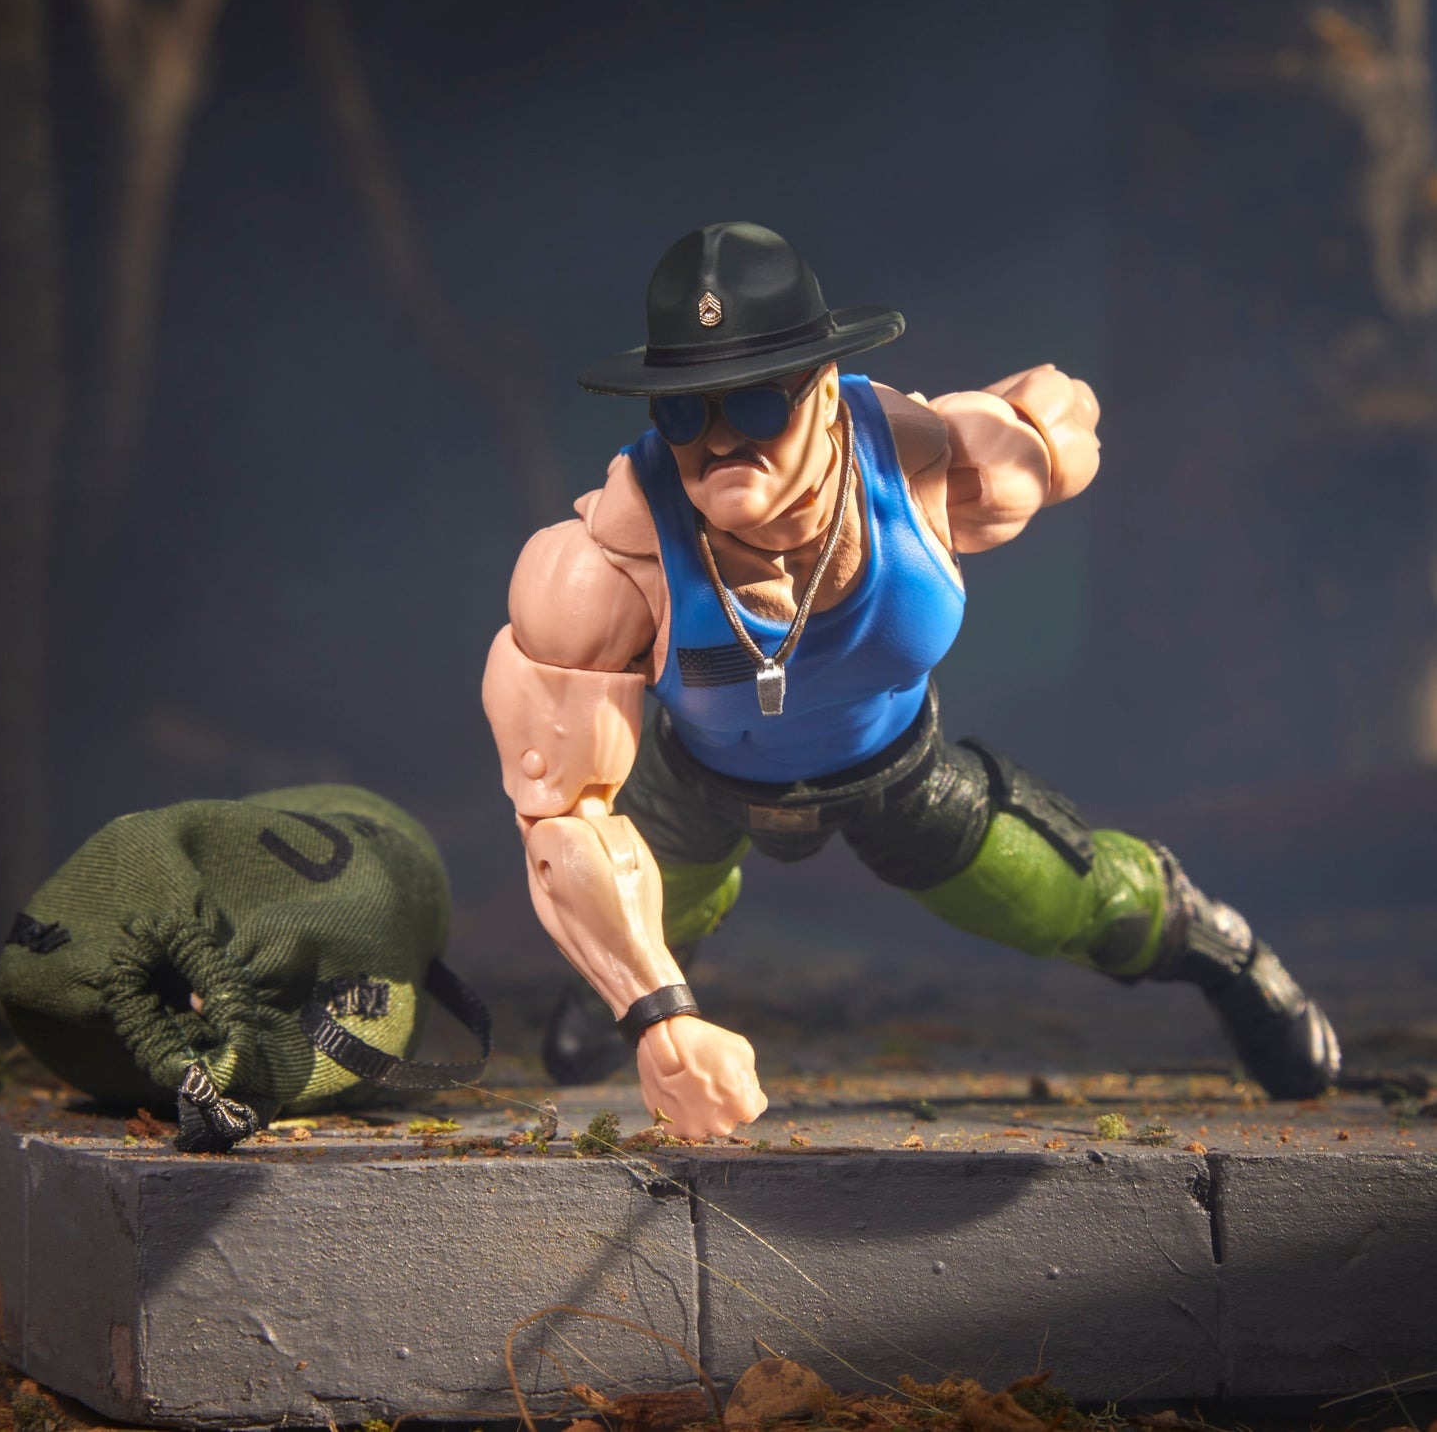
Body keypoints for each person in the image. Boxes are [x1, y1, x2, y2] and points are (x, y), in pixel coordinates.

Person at [482, 221, 1339, 1139]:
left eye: (756, 405)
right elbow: (563, 824)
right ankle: (620, 985)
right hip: (695, 786)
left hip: (895, 767)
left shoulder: (936, 464)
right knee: (635, 905)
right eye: (687, 414)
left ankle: (1223, 953)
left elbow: (1056, 431)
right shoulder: (606, 565)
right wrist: (659, 1016)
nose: (722, 440)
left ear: (823, 390)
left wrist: (1051, 430)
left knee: (1068, 895)